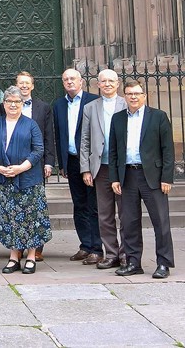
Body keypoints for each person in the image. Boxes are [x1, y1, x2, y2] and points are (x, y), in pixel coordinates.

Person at [110, 79, 175, 279]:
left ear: (144, 96)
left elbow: (168, 150)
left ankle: (163, 263)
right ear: (125, 96)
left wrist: (167, 178)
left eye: (137, 93)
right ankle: (133, 262)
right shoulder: (118, 118)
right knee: (129, 222)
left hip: (153, 177)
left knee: (160, 221)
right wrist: (114, 178)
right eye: (129, 94)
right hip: (127, 175)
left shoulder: (158, 117)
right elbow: (113, 151)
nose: (133, 97)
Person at [0, 86, 51, 274]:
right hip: (3, 180)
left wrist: (21, 167)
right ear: (3, 104)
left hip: (28, 179)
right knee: (10, 218)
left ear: (22, 104)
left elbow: (38, 150)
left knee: (30, 218)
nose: (13, 105)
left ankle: (31, 257)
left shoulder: (31, 124)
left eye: (17, 102)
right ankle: (14, 257)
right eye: (9, 101)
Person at [1, 71, 55, 262]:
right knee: (15, 207)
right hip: (10, 167)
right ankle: (18, 247)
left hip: (34, 165)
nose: (24, 86)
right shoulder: (5, 107)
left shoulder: (43, 107)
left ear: (32, 86)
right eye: (20, 83)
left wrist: (49, 162)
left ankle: (36, 248)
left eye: (27, 83)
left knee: (34, 208)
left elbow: (48, 135)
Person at [53, 69, 102, 264]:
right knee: (79, 204)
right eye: (65, 79)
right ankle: (85, 245)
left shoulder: (93, 100)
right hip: (72, 161)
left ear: (81, 81)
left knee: (94, 205)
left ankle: (97, 248)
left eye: (73, 78)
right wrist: (62, 163)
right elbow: (58, 135)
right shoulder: (59, 104)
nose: (69, 82)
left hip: (90, 161)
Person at [80, 69, 127, 269]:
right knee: (104, 213)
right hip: (101, 168)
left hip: (124, 168)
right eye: (103, 81)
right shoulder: (90, 107)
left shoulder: (127, 103)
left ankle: (127, 253)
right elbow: (85, 140)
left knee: (126, 213)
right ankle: (111, 253)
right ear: (97, 84)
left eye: (111, 81)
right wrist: (86, 169)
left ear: (118, 84)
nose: (107, 84)